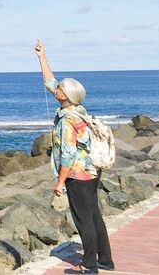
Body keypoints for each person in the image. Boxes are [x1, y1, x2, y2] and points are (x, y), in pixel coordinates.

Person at [34, 40, 113, 275]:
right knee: (94, 215)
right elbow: (50, 81)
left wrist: (60, 182)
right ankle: (105, 260)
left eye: (60, 88)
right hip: (91, 171)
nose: (55, 88)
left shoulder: (67, 121)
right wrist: (42, 56)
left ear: (65, 96)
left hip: (77, 175)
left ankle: (89, 265)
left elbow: (67, 155)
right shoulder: (79, 111)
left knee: (83, 220)